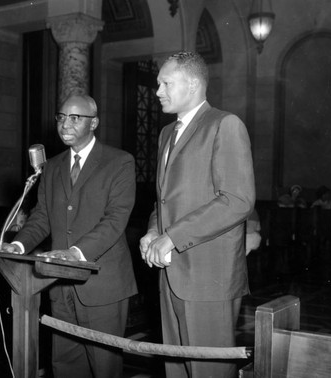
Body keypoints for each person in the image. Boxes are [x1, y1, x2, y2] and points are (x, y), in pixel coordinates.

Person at [0, 94, 137, 378]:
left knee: (104, 368)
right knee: (66, 366)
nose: (64, 124)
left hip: (103, 286)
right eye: (61, 117)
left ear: (94, 123)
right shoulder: (52, 166)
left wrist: (75, 253)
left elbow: (116, 220)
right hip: (60, 284)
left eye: (75, 118)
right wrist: (17, 245)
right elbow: (42, 217)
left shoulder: (119, 162)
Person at [139, 51, 255, 378]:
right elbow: (163, 201)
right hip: (170, 274)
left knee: (208, 372)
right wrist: (152, 231)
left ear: (191, 85)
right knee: (176, 370)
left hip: (208, 279)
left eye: (165, 83)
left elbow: (237, 199)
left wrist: (172, 238)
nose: (158, 91)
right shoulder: (166, 134)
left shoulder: (224, 125)